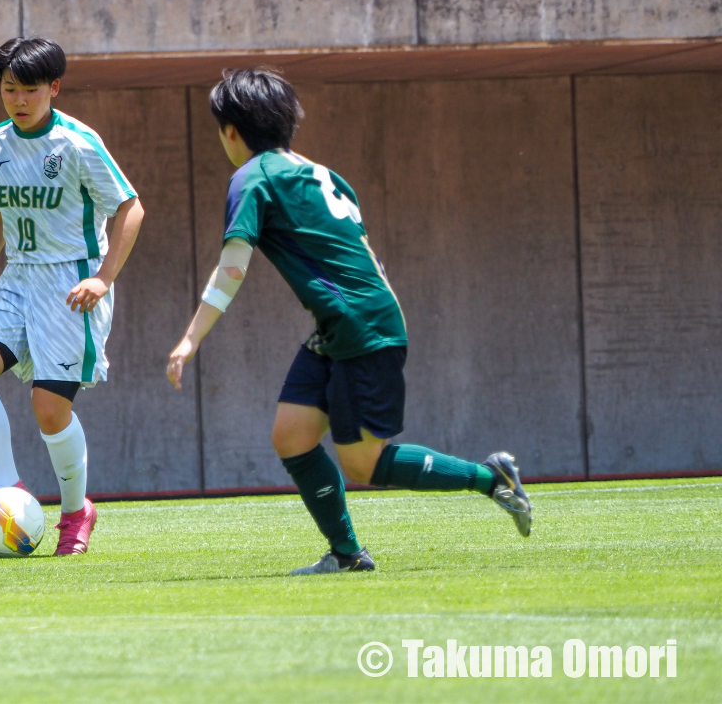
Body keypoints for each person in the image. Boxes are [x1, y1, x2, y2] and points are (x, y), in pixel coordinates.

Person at [166, 68, 531, 576]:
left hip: (357, 325)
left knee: (363, 463)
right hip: (350, 322)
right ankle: (347, 555)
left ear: (231, 130)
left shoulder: (251, 177)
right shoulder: (324, 173)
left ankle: (489, 478)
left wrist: (189, 339)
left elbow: (233, 266)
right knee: (292, 436)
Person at [0, 37, 144, 555]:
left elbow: (130, 207)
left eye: (29, 89)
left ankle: (77, 512)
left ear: (54, 87)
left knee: (48, 410)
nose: (18, 99)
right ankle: (8, 496)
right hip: (18, 277)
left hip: (70, 285)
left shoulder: (77, 144)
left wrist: (103, 278)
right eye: (9, 89)